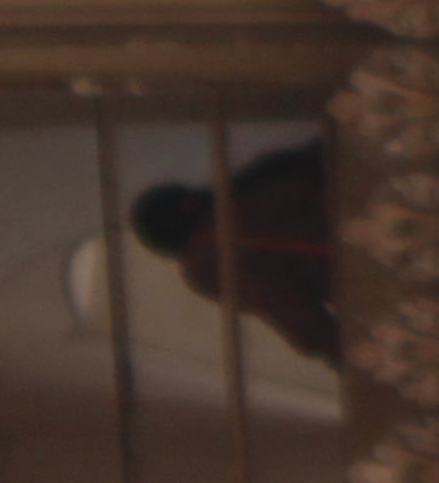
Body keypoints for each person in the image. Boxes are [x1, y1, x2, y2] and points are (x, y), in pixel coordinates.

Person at [127, 139, 341, 362]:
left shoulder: (208, 258)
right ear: (188, 200)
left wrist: (357, 359)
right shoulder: (254, 183)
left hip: (364, 266)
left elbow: (291, 309)